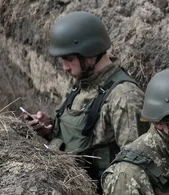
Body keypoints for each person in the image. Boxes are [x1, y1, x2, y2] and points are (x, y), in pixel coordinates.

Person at [22, 11, 144, 183]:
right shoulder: (83, 83)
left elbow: (136, 169)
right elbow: (77, 138)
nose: (64, 68)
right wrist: (49, 128)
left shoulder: (125, 97)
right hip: (66, 182)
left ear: (90, 53)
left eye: (69, 59)